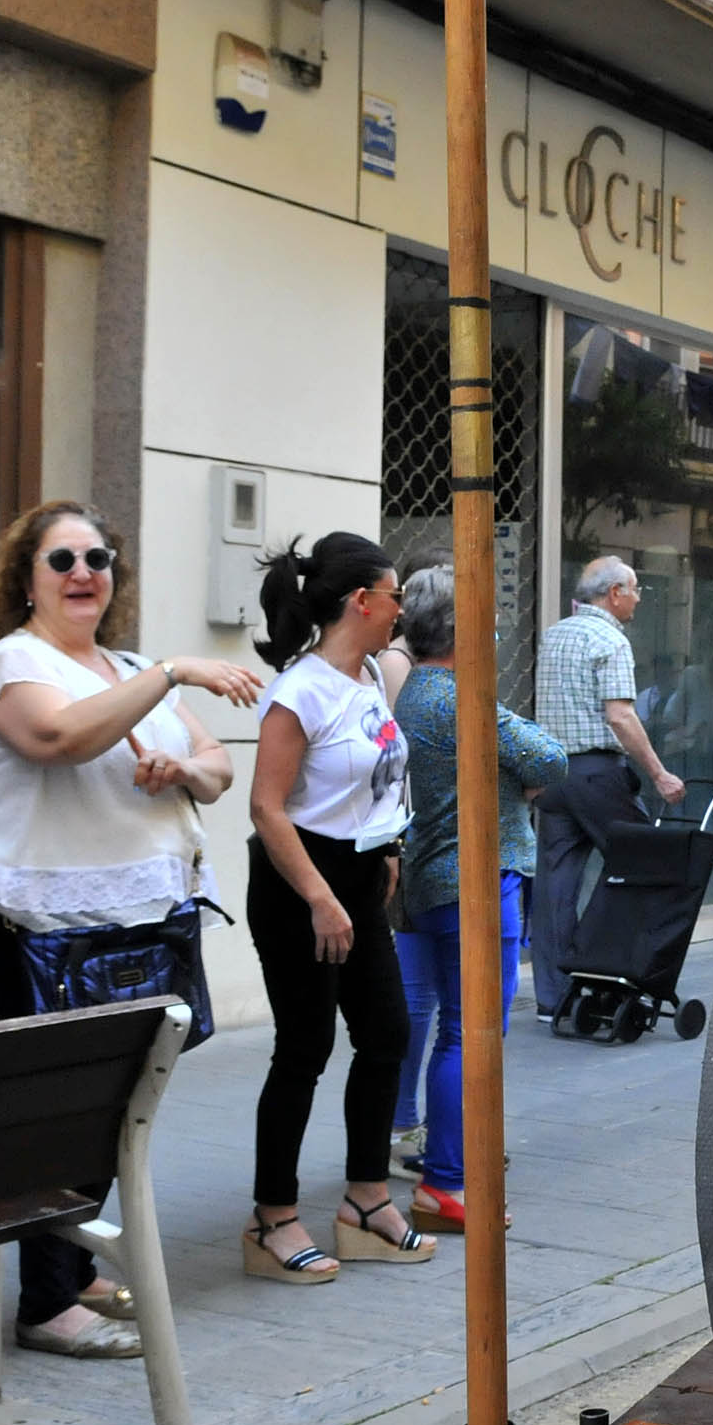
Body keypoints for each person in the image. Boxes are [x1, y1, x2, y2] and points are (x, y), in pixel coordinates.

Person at [0, 501, 259, 1353]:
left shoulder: (123, 664)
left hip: (141, 916)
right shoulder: (12, 663)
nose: (84, 572)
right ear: (26, 579)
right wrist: (169, 675)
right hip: (43, 922)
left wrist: (180, 768)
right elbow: (57, 737)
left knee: (113, 1105)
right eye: (61, 560)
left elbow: (217, 766)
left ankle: (74, 1267)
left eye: (98, 556)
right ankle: (46, 1303)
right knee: (63, 1105)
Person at [244, 532, 430, 1280]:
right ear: (363, 601)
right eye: (395, 596)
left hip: (357, 876)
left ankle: (365, 1200)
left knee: (386, 1032)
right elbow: (267, 807)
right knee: (304, 1048)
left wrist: (384, 852)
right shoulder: (301, 689)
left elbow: (375, 777)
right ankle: (272, 1218)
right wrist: (320, 897)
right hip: (300, 884)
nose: (401, 610)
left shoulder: (365, 683)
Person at [388, 565, 569, 1232]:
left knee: (447, 1027)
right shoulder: (461, 698)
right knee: (471, 1034)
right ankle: (446, 1181)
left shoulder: (415, 694)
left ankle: (441, 1159)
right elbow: (550, 760)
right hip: (476, 879)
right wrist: (515, 780)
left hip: (433, 879)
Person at [527, 556, 685, 1021]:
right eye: (636, 590)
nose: (638, 599)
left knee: (555, 885)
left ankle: (552, 996)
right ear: (615, 592)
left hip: (553, 775)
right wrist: (658, 773)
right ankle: (621, 971)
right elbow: (619, 716)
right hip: (597, 773)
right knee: (648, 865)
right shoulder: (609, 639)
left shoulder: (555, 633)